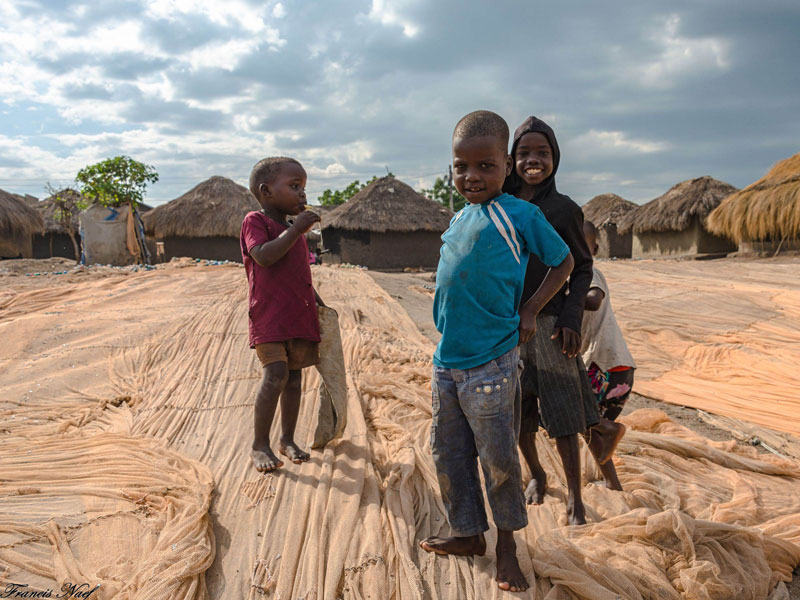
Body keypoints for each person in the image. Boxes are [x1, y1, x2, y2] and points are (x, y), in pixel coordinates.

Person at [420, 111, 574, 593]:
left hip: (492, 362)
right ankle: (468, 532)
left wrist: (530, 311)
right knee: (449, 452)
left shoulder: (522, 215)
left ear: (505, 166)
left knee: (499, 458)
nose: (472, 176)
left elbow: (564, 261)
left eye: (485, 166)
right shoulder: (459, 217)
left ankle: (507, 546)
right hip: (447, 361)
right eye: (461, 166)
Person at [503, 116, 626, 524]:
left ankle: (575, 498)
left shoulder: (564, 209)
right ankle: (536, 475)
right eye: (524, 153)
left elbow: (582, 267)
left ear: (555, 158)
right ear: (511, 159)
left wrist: (570, 318)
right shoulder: (500, 203)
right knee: (519, 413)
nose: (533, 160)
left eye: (543, 153)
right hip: (506, 326)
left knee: (564, 418)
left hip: (552, 325)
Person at [240, 156, 326, 473]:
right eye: (294, 186)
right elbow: (263, 256)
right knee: (275, 375)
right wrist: (298, 231)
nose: (302, 194)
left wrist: (319, 304)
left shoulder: (293, 231)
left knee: (293, 379)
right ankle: (259, 445)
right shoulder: (256, 222)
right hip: (269, 318)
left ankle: (287, 439)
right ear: (266, 191)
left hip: (298, 317)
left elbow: (300, 276)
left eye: (303, 187)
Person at [580, 219, 636, 490]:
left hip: (603, 365)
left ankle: (612, 429)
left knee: (577, 417)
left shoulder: (588, 273)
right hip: (617, 368)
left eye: (581, 244)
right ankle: (612, 482)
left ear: (595, 248)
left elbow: (593, 300)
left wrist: (560, 299)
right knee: (593, 431)